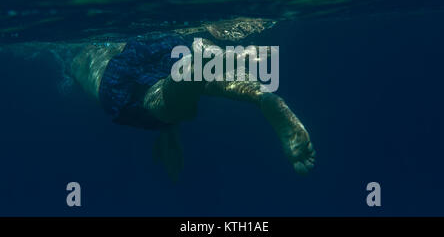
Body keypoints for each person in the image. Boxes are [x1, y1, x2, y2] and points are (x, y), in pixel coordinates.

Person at [70, 27, 315, 180]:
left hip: (110, 74)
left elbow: (165, 119)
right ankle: (260, 95)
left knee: (156, 100)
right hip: (158, 37)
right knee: (199, 73)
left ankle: (195, 69)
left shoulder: (75, 60)